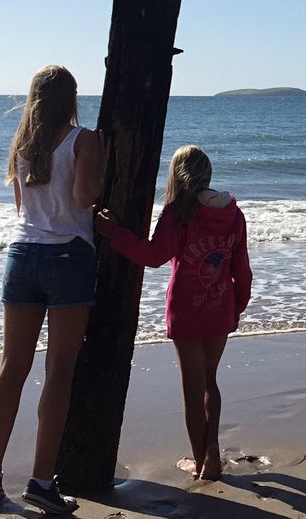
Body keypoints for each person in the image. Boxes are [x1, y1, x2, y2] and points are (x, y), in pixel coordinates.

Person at [0, 65, 107, 514]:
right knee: (59, 371)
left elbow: (23, 210)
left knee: (12, 367)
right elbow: (85, 197)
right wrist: (101, 163)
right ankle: (40, 481)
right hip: (68, 255)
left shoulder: (23, 146)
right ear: (72, 98)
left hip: (21, 255)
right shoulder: (82, 138)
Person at [96, 144, 252, 481]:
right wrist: (235, 308)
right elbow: (243, 270)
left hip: (186, 313)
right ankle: (211, 450)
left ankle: (202, 462)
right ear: (207, 174)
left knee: (192, 390)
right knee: (211, 381)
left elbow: (153, 256)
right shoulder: (233, 214)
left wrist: (113, 234)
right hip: (219, 311)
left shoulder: (178, 213)